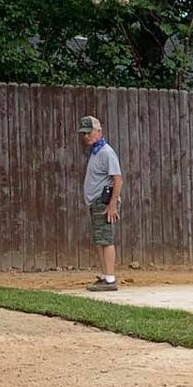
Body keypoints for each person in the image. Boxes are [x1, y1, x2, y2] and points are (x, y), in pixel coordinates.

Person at [78, 114, 123, 291]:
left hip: (103, 203)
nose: (86, 136)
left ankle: (110, 279)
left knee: (106, 239)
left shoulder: (106, 153)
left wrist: (112, 205)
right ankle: (105, 275)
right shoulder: (95, 152)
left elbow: (118, 180)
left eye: (89, 132)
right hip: (96, 203)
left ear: (99, 131)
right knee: (100, 239)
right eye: (84, 133)